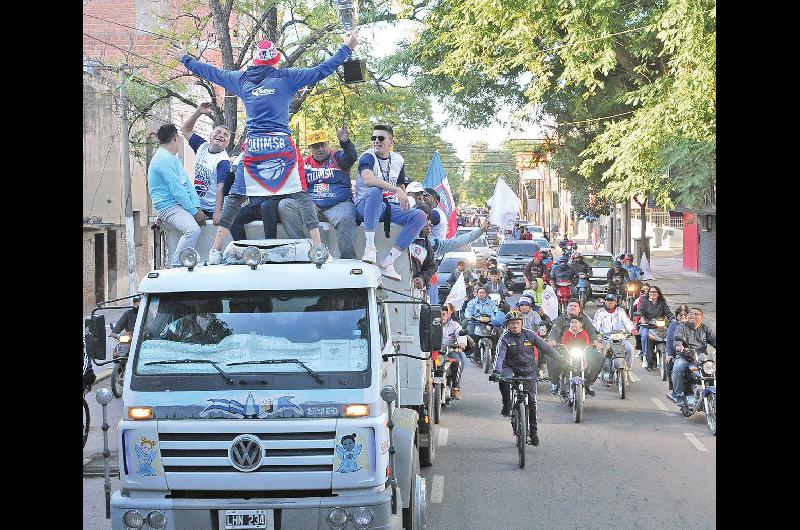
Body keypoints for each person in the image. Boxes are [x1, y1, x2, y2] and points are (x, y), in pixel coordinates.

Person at [175, 34, 359, 263]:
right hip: (281, 148)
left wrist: (186, 59)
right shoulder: (286, 77)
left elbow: (211, 72)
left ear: (255, 60)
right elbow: (321, 70)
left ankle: (215, 251)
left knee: (234, 198)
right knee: (301, 195)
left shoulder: (242, 79)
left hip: (253, 150)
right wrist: (347, 48)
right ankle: (319, 250)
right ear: (275, 59)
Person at [354, 125, 427, 280]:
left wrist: (404, 198)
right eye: (373, 138)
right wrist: (397, 190)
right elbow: (368, 179)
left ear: (390, 141)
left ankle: (389, 262)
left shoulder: (398, 159)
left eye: (380, 138)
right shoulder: (367, 156)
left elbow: (400, 185)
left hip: (389, 206)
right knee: (375, 191)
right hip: (366, 204)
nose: (376, 141)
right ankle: (370, 248)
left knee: (420, 216)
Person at [278, 125, 359, 258]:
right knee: (285, 205)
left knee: (346, 217)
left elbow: (351, 157)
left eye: (322, 145)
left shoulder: (338, 157)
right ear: (310, 148)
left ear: (328, 144)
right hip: (312, 208)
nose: (320, 149)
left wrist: (345, 142)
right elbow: (296, 188)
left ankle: (348, 258)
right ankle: (305, 250)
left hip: (338, 206)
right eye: (316, 146)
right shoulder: (305, 164)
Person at [490, 310, 565, 446]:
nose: (515, 326)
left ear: (521, 323)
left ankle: (534, 433)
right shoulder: (505, 338)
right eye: (512, 323)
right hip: (510, 368)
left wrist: (561, 360)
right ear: (507, 325)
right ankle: (507, 403)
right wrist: (496, 371)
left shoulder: (530, 334)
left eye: (517, 323)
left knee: (532, 401)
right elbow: (499, 356)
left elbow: (546, 348)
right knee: (503, 381)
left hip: (528, 369)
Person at [147, 124, 206, 267]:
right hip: (168, 207)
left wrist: (197, 207)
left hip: (178, 205)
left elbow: (187, 185)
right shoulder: (163, 159)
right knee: (193, 230)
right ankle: (177, 266)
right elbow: (177, 191)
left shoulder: (172, 158)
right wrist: (194, 212)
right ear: (175, 137)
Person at [181, 103, 232, 221]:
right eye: (218, 132)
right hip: (197, 205)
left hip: (211, 209)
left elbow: (221, 187)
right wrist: (198, 112)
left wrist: (217, 213)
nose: (221, 135)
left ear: (227, 143)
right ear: (211, 135)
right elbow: (185, 130)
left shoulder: (223, 161)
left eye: (225, 135)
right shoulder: (201, 146)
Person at [547, 299, 602, 396]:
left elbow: (591, 332)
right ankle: (555, 383)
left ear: (579, 309)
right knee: (551, 357)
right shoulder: (560, 319)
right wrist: (552, 340)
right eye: (570, 305)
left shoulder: (584, 319)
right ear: (566, 308)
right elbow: (554, 331)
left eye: (575, 306)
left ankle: (588, 383)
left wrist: (595, 342)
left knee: (599, 357)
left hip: (583, 348)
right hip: (563, 347)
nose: (572, 307)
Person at [672, 307, 717, 406]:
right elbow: (677, 339)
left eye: (696, 314)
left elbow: (714, 340)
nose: (693, 315)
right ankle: (679, 395)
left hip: (701, 359)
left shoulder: (705, 329)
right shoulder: (681, 327)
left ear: (701, 317)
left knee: (713, 370)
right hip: (685, 357)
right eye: (691, 313)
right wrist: (679, 346)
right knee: (678, 368)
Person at [592, 294, 639, 382]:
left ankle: (628, 370)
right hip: (606, 338)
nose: (610, 302)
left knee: (630, 349)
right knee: (603, 353)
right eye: (607, 300)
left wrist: (632, 330)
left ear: (615, 302)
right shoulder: (600, 312)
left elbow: (627, 321)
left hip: (620, 338)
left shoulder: (620, 311)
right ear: (605, 301)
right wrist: (597, 333)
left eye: (612, 301)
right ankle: (604, 371)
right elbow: (596, 325)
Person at [638, 285, 673, 371]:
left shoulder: (662, 303)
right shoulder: (644, 301)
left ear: (658, 294)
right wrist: (642, 319)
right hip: (647, 325)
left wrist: (673, 319)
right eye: (651, 292)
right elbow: (641, 312)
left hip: (659, 325)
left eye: (654, 292)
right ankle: (645, 357)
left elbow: (668, 313)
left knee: (671, 335)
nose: (652, 293)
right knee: (645, 335)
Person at [440, 303, 469, 399]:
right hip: (434, 352)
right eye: (439, 314)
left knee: (458, 362)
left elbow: (460, 333)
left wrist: (461, 343)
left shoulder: (454, 325)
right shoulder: (432, 324)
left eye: (443, 314)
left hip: (449, 352)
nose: (441, 316)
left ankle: (455, 388)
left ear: (449, 314)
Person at [665, 305, 691, 391]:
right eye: (681, 315)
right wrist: (669, 354)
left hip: (693, 352)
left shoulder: (693, 325)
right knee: (671, 363)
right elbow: (669, 339)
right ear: (677, 316)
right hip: (676, 352)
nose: (683, 317)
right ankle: (674, 389)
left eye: (685, 315)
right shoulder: (673, 325)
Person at [409, 216, 437, 294]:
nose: (428, 228)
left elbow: (432, 266)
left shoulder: (426, 243)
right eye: (425, 224)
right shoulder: (402, 234)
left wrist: (422, 279)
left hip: (411, 293)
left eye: (430, 224)